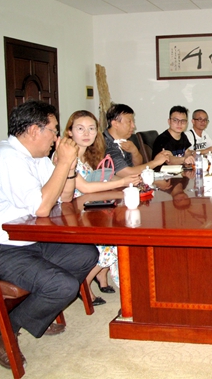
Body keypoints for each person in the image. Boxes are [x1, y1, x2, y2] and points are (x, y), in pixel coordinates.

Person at [0, 101, 99, 370]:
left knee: (85, 254)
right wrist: (63, 161)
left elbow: (65, 197)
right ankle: (5, 329)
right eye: (54, 130)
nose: (57, 138)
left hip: (25, 241)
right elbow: (41, 208)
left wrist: (68, 167)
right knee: (62, 286)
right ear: (35, 130)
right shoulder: (6, 158)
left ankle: (35, 314)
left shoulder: (35, 158)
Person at [63, 110, 142, 306]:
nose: (87, 133)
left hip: (91, 208)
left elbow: (102, 178)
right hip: (71, 213)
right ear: (70, 132)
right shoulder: (66, 156)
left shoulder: (88, 155)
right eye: (80, 129)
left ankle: (102, 275)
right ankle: (84, 283)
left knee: (124, 222)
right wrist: (122, 182)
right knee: (114, 240)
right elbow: (84, 187)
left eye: (91, 129)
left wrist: (126, 185)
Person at [103, 103, 170, 177]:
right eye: (129, 122)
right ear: (115, 124)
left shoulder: (123, 139)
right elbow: (126, 173)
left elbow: (137, 165)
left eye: (133, 122)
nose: (133, 126)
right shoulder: (106, 144)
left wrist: (134, 151)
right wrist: (155, 162)